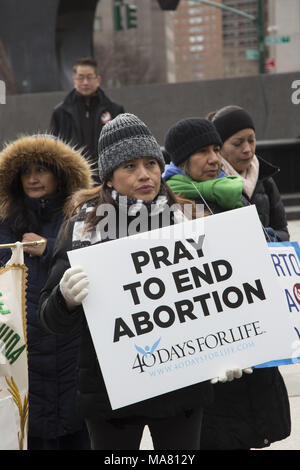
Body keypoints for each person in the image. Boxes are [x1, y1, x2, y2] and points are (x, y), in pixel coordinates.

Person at [38, 113, 214, 451]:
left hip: (181, 388)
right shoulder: (83, 230)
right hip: (112, 393)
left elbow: (215, 296)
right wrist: (65, 298)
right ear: (108, 179)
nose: (145, 174)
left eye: (151, 163)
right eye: (130, 166)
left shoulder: (189, 220)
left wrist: (228, 356)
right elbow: (50, 318)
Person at [163, 111, 291, 450]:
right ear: (181, 159)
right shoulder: (167, 205)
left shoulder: (232, 195)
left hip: (245, 342)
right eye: (203, 152)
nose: (214, 159)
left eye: (216, 150)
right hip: (203, 355)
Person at [0, 134, 93, 450]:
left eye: (41, 169)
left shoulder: (80, 217)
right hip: (24, 351)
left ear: (60, 173)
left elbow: (93, 261)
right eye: (26, 172)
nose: (33, 178)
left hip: (72, 347)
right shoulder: (5, 223)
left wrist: (49, 247)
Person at [208, 105, 289, 242]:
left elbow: (283, 232)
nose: (247, 149)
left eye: (251, 141)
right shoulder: (209, 182)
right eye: (237, 143)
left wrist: (268, 237)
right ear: (219, 147)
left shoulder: (265, 178)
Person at [50, 57, 125, 182]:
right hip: (73, 180)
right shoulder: (60, 112)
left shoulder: (115, 110)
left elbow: (122, 147)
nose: (85, 82)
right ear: (74, 81)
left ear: (98, 80)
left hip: (107, 179)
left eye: (89, 77)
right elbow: (53, 149)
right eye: (80, 78)